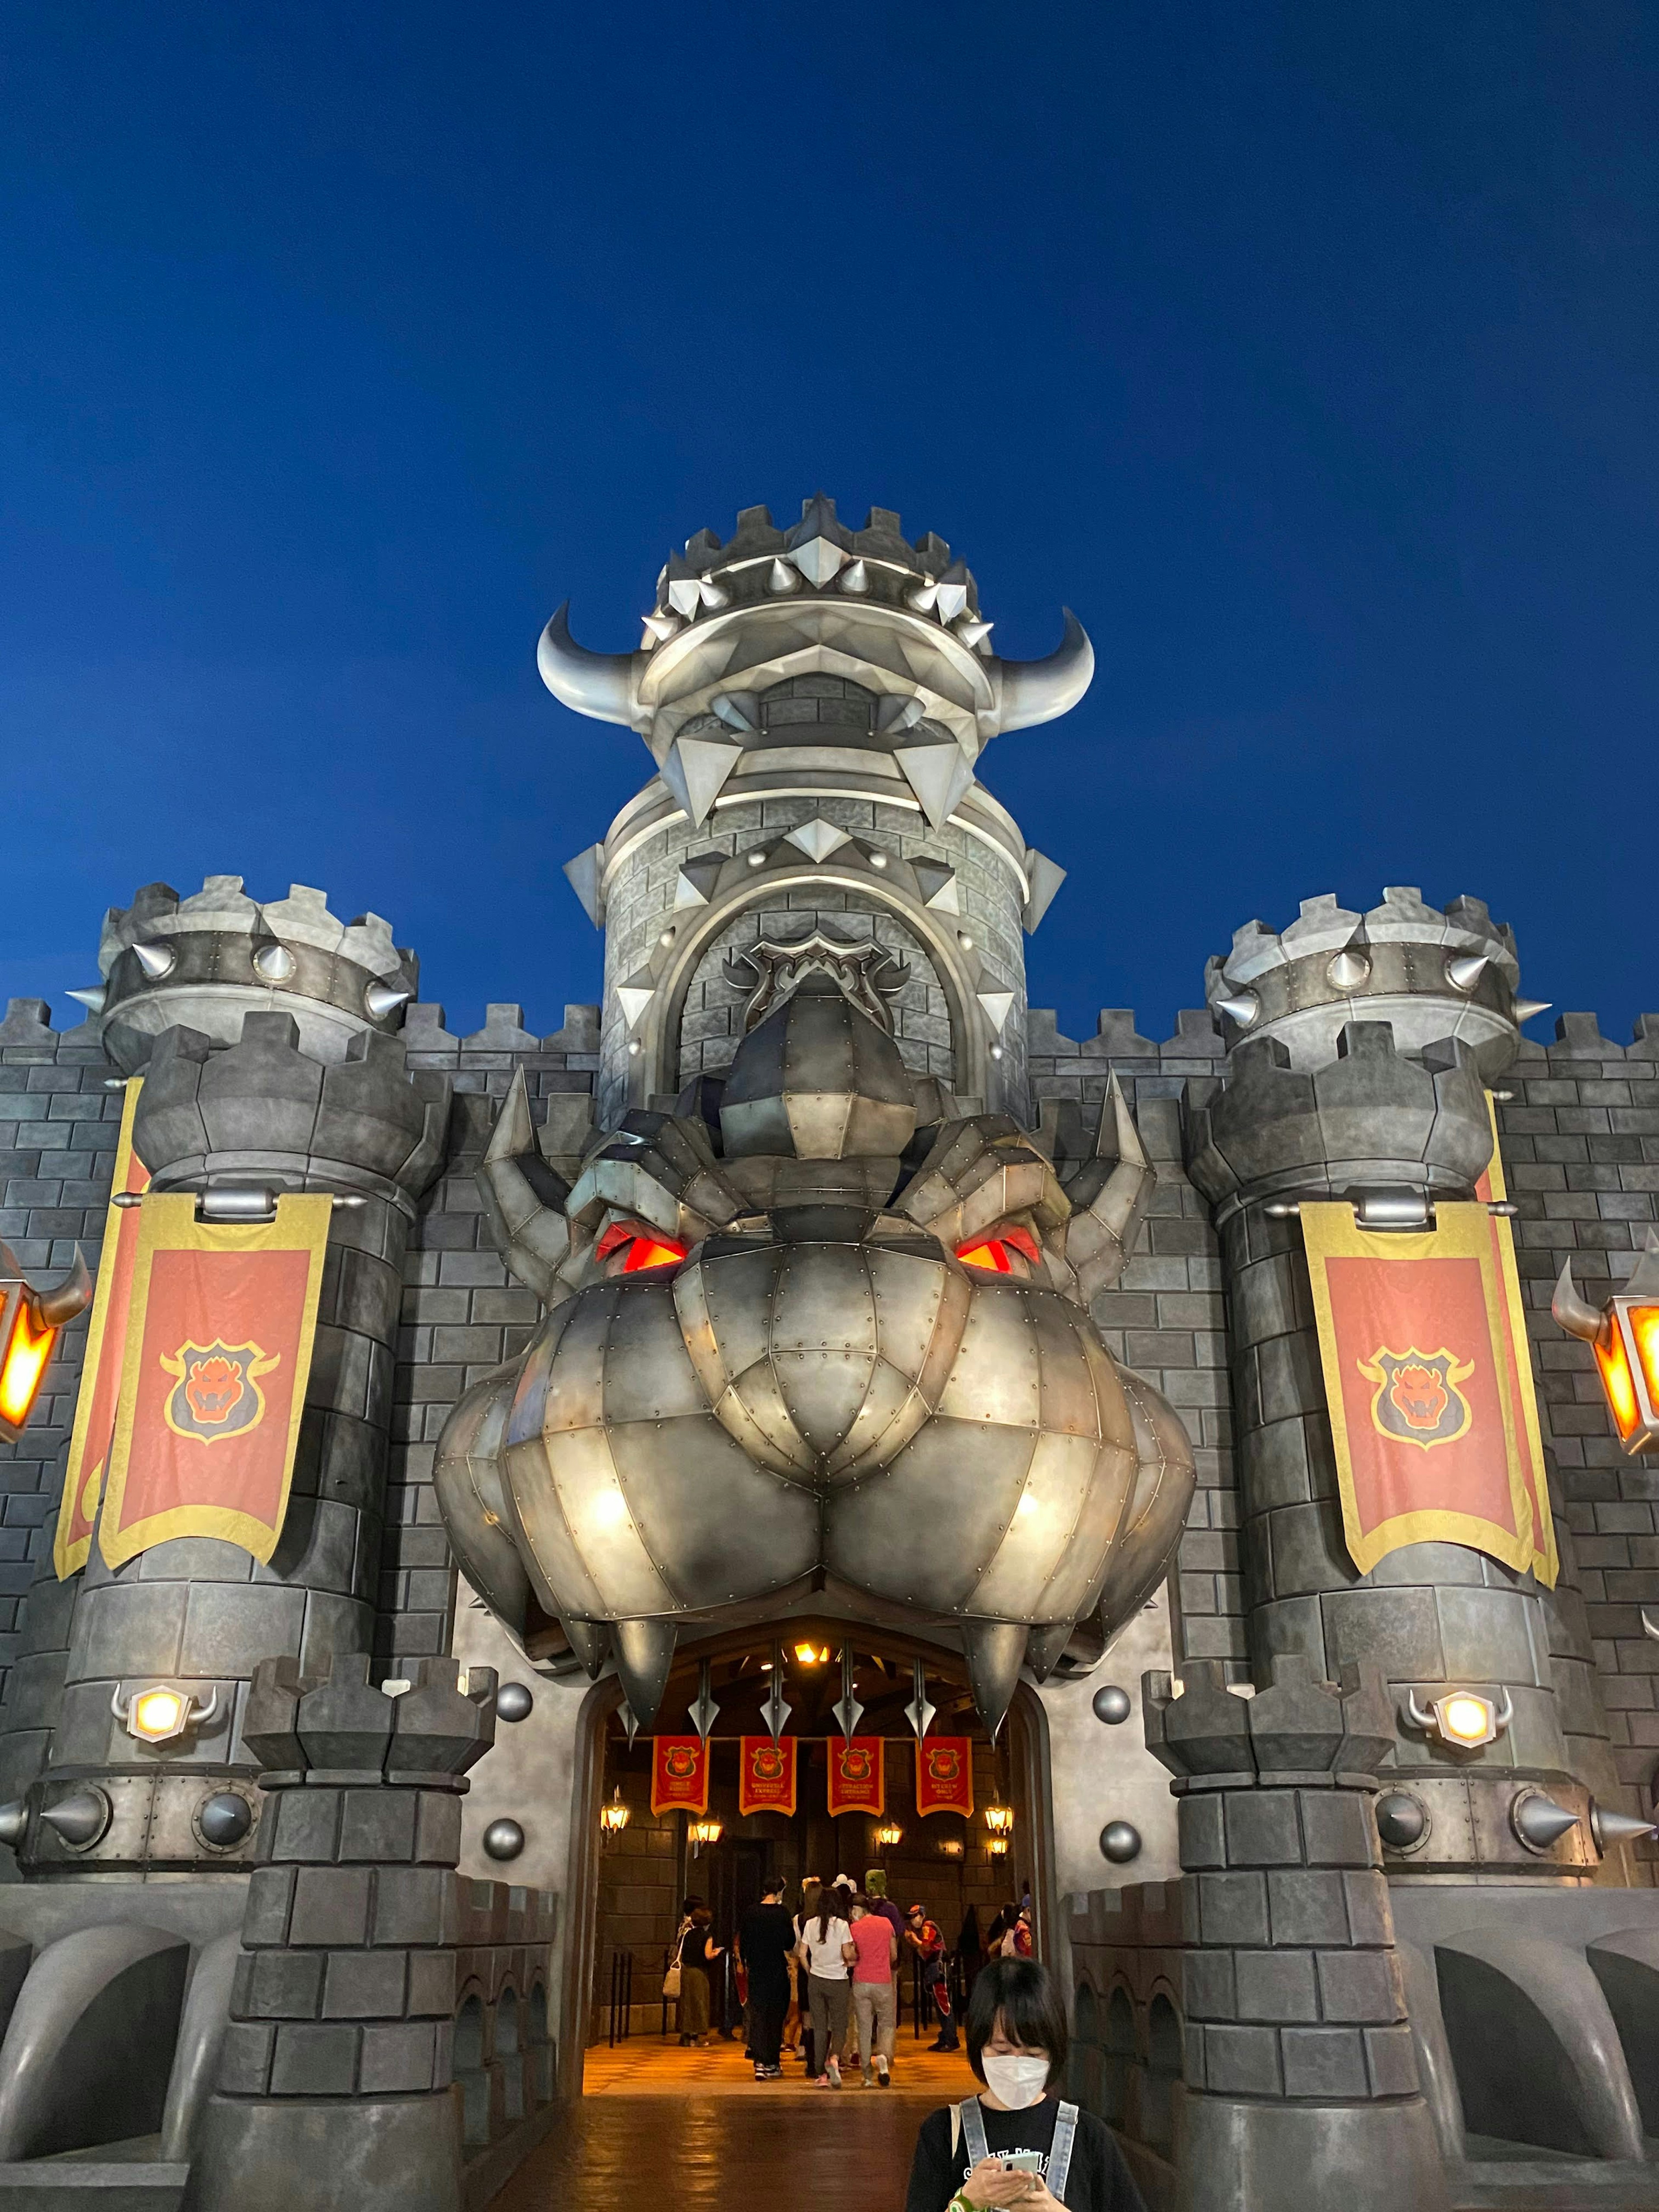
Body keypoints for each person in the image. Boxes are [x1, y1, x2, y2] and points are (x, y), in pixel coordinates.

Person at [905, 1959, 1145, 2211]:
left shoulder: (1087, 2137)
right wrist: (967, 2203)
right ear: (979, 2047)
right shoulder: (944, 2134)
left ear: (1053, 2052)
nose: (1017, 2065)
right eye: (1002, 2051)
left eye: (1033, 2053)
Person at [737, 1875, 797, 2080]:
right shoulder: (782, 1913)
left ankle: (760, 2062)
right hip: (777, 1970)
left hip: (757, 1971)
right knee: (775, 2016)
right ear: (779, 1892)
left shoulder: (751, 1913)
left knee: (759, 2016)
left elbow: (743, 1943)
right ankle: (772, 2062)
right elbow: (789, 1942)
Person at [797, 1878, 854, 2087]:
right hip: (838, 1980)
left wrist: (810, 1971)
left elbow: (802, 1954)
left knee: (819, 2028)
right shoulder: (842, 1925)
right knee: (839, 2026)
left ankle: (820, 2074)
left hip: (817, 1981)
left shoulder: (810, 1924)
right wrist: (851, 1958)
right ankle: (835, 2059)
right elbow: (847, 1953)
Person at [845, 1891, 899, 2087]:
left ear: (857, 1910)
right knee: (885, 2024)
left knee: (865, 2029)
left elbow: (850, 1955)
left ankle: (867, 2075)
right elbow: (894, 1955)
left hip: (861, 1982)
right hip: (883, 1982)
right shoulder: (886, 1924)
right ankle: (883, 2058)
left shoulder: (854, 1928)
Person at [906, 1902, 959, 2051]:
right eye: (912, 1918)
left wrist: (915, 1940)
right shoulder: (924, 1930)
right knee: (940, 2004)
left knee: (944, 2005)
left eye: (916, 1916)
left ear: (922, 1916)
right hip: (935, 1969)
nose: (913, 1920)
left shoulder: (928, 1926)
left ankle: (951, 2039)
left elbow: (927, 1946)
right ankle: (945, 2037)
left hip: (939, 1969)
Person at [676, 1903, 723, 2048]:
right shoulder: (707, 1936)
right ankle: (695, 2037)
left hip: (686, 1972)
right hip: (699, 1973)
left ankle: (685, 2035)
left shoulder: (688, 1934)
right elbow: (708, 1955)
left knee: (687, 2004)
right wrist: (717, 1952)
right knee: (699, 2003)